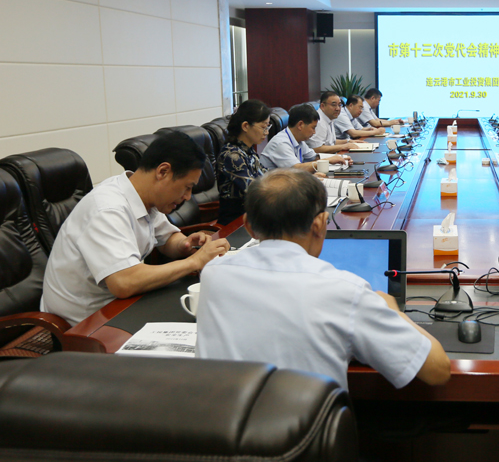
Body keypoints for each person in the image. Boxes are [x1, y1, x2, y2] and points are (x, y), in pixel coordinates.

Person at [196, 168, 451, 391]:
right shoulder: (346, 291)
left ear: (249, 226)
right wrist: (393, 311)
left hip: (218, 429)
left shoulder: (214, 274)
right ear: (320, 224)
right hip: (306, 432)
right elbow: (437, 370)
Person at [41, 133, 230, 326]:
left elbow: (167, 238)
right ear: (163, 172)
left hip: (120, 305)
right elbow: (124, 282)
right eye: (187, 187)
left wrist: (184, 244)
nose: (188, 196)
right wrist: (194, 262)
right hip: (85, 322)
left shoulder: (144, 196)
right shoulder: (107, 209)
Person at [217, 99, 270, 225]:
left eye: (268, 127)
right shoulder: (232, 156)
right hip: (236, 222)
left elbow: (266, 175)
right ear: (245, 126)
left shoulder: (248, 150)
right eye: (263, 127)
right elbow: (255, 190)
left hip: (253, 215)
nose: (267, 132)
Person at [260, 104, 352, 176]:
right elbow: (296, 169)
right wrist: (328, 161)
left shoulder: (298, 140)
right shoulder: (281, 143)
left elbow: (314, 157)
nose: (314, 132)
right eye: (313, 128)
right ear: (300, 125)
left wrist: (339, 158)